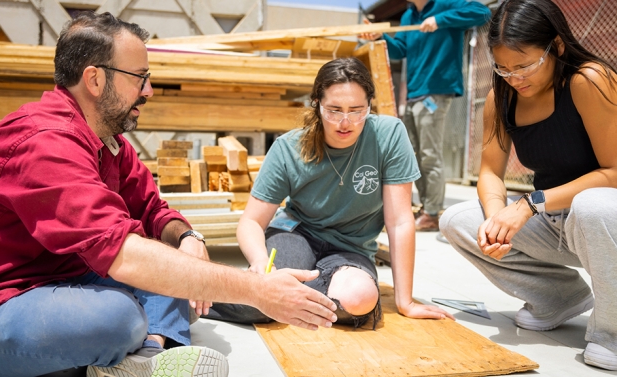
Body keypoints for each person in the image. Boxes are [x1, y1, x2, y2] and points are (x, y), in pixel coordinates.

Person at [0, 12, 339, 377]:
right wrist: (258, 291)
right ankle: (128, 350)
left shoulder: (105, 141)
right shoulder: (45, 142)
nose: (149, 90)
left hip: (43, 281)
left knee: (177, 277)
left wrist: (188, 238)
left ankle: (149, 356)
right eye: (139, 76)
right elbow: (122, 253)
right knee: (117, 319)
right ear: (95, 79)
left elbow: (153, 209)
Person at [205, 57, 454, 328]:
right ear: (317, 104)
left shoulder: (389, 135)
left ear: (370, 106)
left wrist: (405, 301)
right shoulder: (288, 148)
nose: (345, 122)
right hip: (297, 234)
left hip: (352, 247)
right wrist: (261, 262)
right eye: (334, 110)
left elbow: (400, 221)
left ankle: (294, 297)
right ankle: (196, 292)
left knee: (358, 299)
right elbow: (251, 221)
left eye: (357, 111)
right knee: (263, 301)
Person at [440, 0, 617, 371]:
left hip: (604, 220)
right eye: (503, 68)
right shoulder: (501, 96)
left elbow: (615, 171)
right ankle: (558, 298)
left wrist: (529, 203)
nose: (514, 78)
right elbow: (489, 171)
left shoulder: (589, 79)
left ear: (557, 46)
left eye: (525, 66)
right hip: (556, 222)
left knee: (592, 205)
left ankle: (612, 331)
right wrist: (495, 221)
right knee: (457, 220)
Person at [360, 0, 491, 231]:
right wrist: (380, 37)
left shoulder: (446, 5)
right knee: (413, 155)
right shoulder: (409, 17)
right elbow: (400, 50)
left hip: (436, 92)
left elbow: (482, 12)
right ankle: (424, 206)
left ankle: (432, 213)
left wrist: (440, 20)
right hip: (413, 92)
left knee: (430, 155)